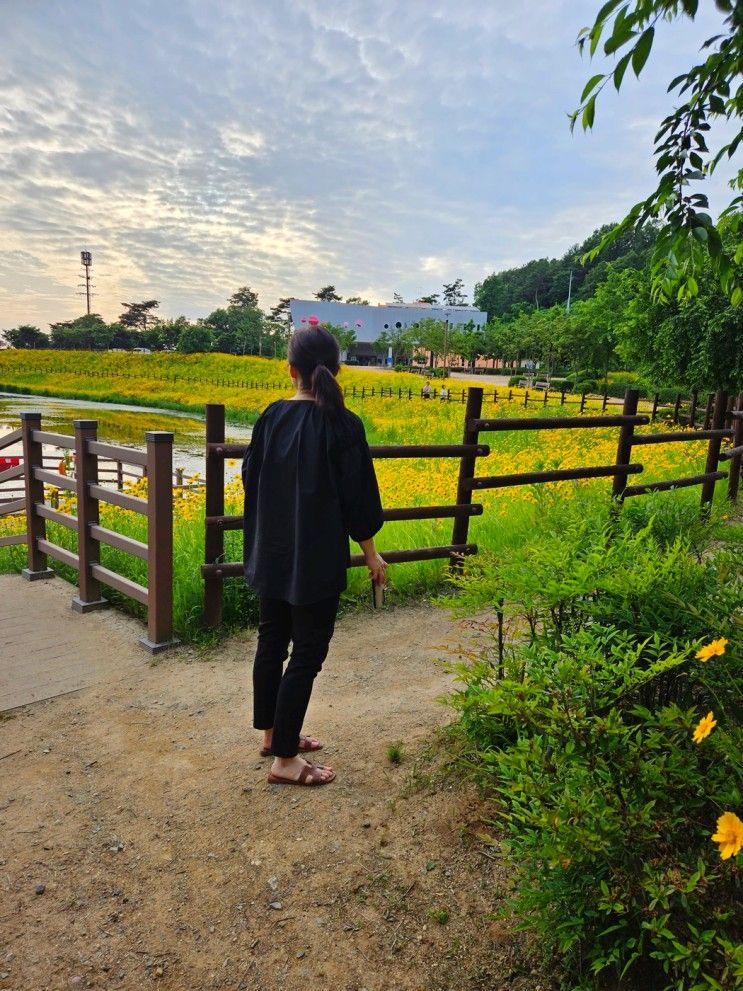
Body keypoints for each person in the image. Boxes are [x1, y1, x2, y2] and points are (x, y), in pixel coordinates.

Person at [242, 324, 387, 787]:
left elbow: (251, 480)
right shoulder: (343, 423)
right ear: (335, 370)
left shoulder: (270, 418)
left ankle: (272, 735)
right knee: (306, 652)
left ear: (291, 371)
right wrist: (371, 554)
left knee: (271, 642)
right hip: (317, 560)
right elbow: (358, 498)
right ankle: (285, 760)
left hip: (271, 553)